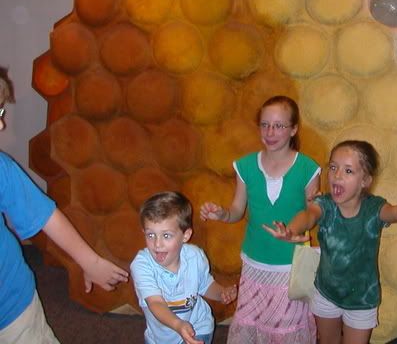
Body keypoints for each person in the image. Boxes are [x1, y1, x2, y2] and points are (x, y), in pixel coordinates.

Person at [264, 139, 397, 344]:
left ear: (365, 180)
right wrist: (291, 230)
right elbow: (308, 216)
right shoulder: (324, 204)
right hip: (326, 293)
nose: (337, 175)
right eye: (333, 167)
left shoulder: (374, 209)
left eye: (348, 171)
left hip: (362, 300)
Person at [0, 66, 129, 344]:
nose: (2, 125)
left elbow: (46, 216)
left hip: (12, 307)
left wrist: (90, 262)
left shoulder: (2, 169)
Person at [200, 95, 321, 344]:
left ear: (293, 129)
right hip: (255, 263)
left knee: (286, 330)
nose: (270, 132)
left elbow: (312, 215)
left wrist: (291, 230)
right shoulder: (245, 166)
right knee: (252, 325)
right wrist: (222, 214)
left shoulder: (308, 168)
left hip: (291, 265)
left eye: (279, 125)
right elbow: (236, 210)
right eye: (265, 125)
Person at [131, 191, 237, 344]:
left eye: (166, 235)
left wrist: (221, 293)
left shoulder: (195, 256)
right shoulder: (142, 265)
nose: (157, 244)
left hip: (198, 328)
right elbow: (155, 302)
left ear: (185, 236)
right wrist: (178, 325)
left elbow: (205, 285)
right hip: (160, 338)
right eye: (151, 235)